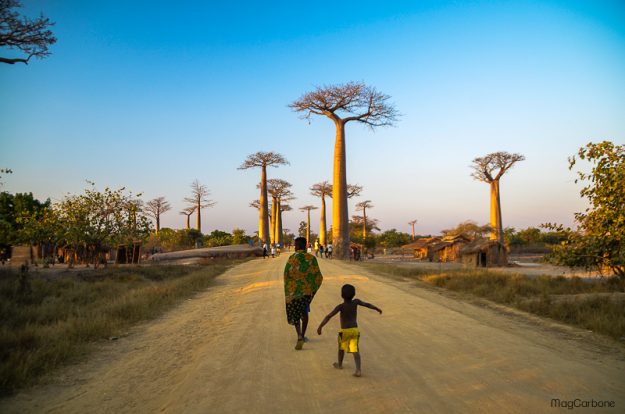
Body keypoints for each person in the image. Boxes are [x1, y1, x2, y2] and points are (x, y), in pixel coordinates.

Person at [317, 284, 382, 377]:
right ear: (354, 294)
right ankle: (358, 369)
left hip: (344, 331)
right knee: (355, 350)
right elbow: (367, 305)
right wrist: (377, 308)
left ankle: (339, 365)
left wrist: (320, 327)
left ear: (341, 295)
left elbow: (328, 316)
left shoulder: (340, 307)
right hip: (354, 330)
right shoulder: (356, 302)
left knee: (341, 349)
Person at [284, 237, 323, 350]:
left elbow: (287, 274)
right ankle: (303, 335)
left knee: (295, 313)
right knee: (304, 312)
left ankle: (299, 335)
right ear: (305, 245)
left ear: (296, 246)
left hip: (293, 292)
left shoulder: (292, 258)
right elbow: (318, 276)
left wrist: (290, 289)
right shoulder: (311, 258)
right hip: (306, 292)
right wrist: (311, 289)